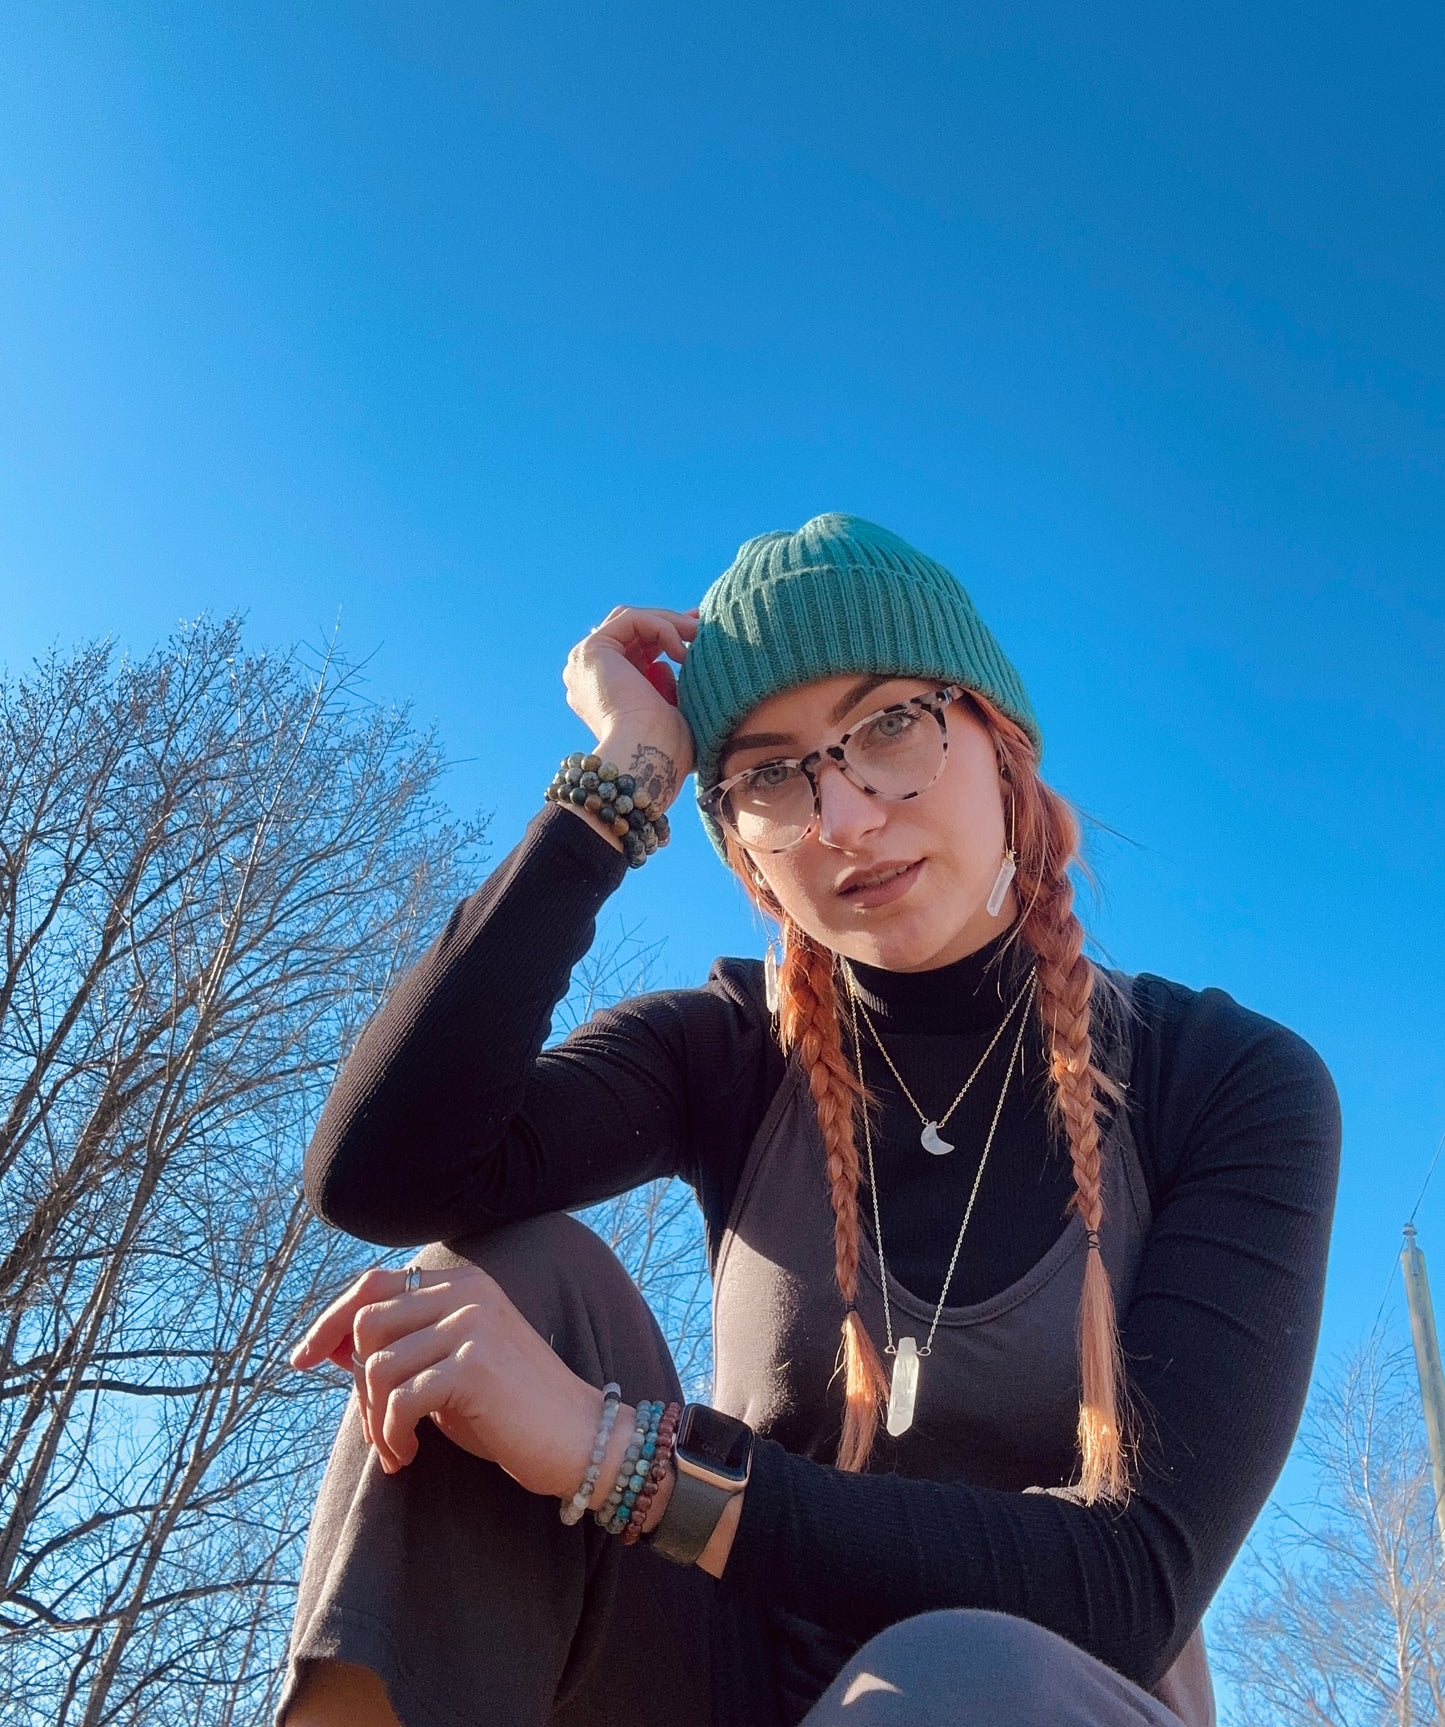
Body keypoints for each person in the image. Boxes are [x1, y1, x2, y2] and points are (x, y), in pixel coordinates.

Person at [278, 513, 1340, 1727]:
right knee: (496, 1289)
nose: (841, 817)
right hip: (715, 1687)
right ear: (742, 851)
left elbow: (1129, 1577)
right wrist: (618, 776)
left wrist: (616, 1458)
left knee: (959, 1673)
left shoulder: (1223, 1080)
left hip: (1035, 1698)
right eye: (771, 774)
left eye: (890, 724)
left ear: (1001, 744)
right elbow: (385, 1172)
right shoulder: (729, 1050)